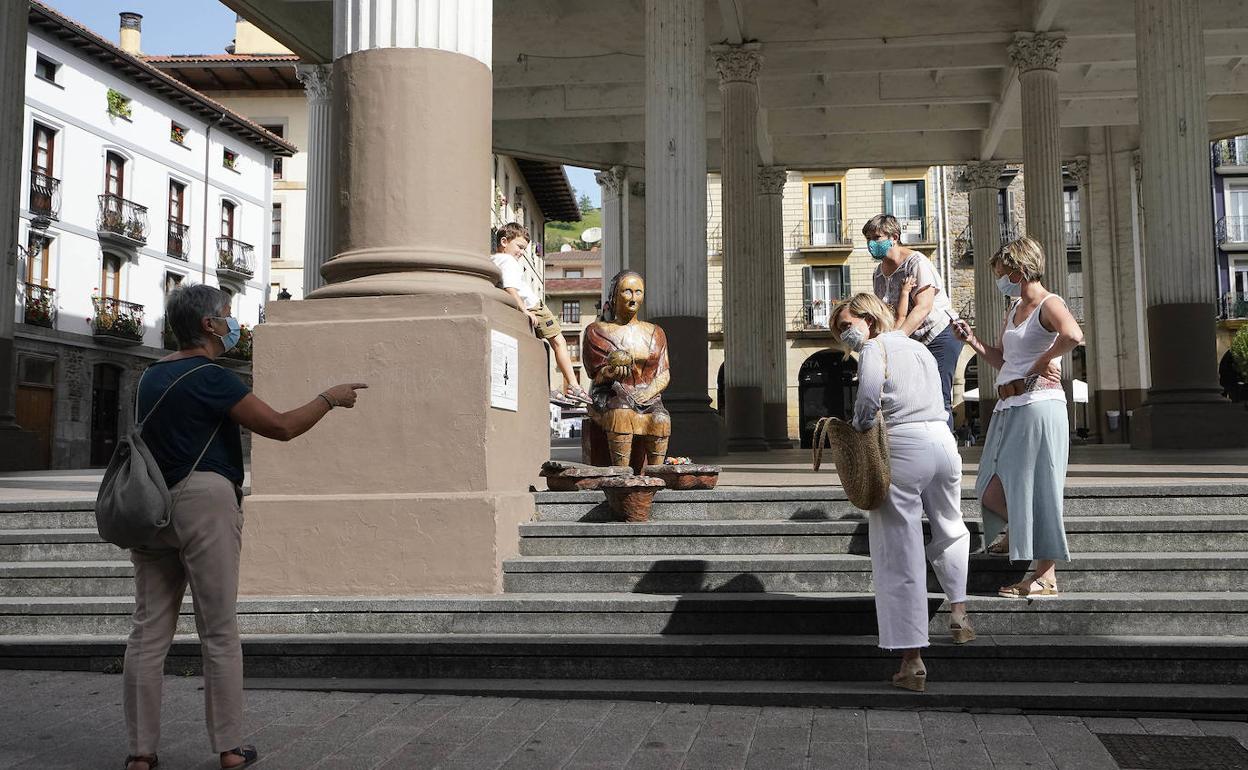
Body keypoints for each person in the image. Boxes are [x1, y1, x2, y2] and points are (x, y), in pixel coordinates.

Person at [122, 284, 367, 770]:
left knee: (148, 632)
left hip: (150, 507)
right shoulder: (212, 377)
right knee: (218, 629)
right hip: (205, 502)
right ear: (210, 326)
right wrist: (329, 398)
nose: (235, 323)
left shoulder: (150, 376)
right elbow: (280, 426)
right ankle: (230, 749)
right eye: (228, 315)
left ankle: (140, 754)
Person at [830, 292, 973, 693]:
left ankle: (912, 660)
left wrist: (857, 429)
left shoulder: (875, 348)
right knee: (951, 526)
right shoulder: (921, 349)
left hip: (904, 444)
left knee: (899, 548)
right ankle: (959, 611)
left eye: (846, 325)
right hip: (944, 442)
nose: (845, 335)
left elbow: (869, 398)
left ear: (869, 318)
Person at [952, 236, 1083, 598]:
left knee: (1041, 486)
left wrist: (1044, 361)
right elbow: (1004, 361)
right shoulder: (1013, 311)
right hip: (1009, 407)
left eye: (1002, 272)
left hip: (1039, 405)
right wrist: (972, 341)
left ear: (1020, 269)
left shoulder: (1048, 303)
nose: (1000, 280)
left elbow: (1073, 334)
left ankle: (1046, 576)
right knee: (990, 489)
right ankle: (1019, 533)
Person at [865, 214, 962, 428]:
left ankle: (946, 450)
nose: (871, 243)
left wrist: (896, 340)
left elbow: (923, 307)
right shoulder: (877, 274)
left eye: (876, 237)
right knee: (914, 396)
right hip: (911, 340)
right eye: (868, 239)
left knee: (938, 395)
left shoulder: (916, 263)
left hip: (939, 335)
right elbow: (887, 313)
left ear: (894, 237)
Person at [491, 222, 591, 404]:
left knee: (539, 349)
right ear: (504, 241)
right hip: (533, 306)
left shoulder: (494, 260)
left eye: (524, 249)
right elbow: (510, 287)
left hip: (526, 306)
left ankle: (548, 388)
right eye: (519, 247)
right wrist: (525, 310)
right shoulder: (509, 261)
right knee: (559, 341)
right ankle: (574, 386)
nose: (521, 253)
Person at [582, 270, 671, 471]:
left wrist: (647, 393)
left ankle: (655, 475)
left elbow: (664, 372)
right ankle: (621, 475)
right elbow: (595, 375)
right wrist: (609, 373)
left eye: (638, 292)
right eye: (627, 292)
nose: (633, 298)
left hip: (648, 395)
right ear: (614, 296)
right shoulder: (597, 330)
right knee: (621, 415)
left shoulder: (656, 332)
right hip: (612, 393)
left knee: (661, 419)